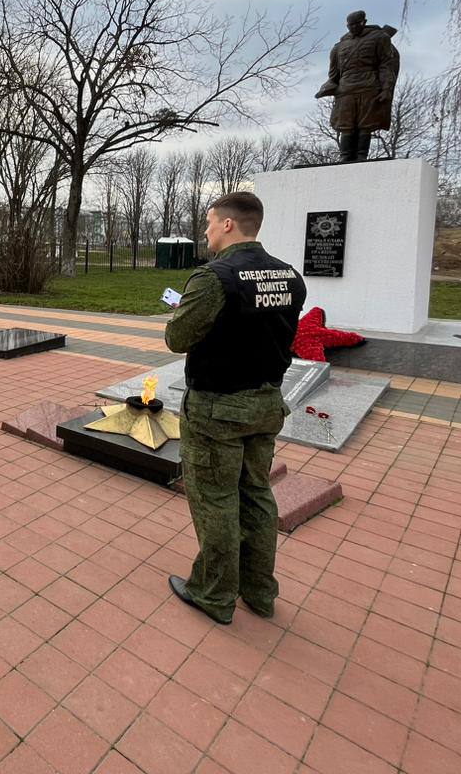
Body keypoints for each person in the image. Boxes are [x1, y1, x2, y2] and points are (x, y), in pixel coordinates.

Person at [163, 191, 306, 624]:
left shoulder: (215, 277)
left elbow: (177, 338)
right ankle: (260, 592)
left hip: (217, 410)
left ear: (228, 224)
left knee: (216, 500)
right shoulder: (290, 276)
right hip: (265, 404)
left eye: (209, 222)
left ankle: (213, 592)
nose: (206, 230)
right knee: (258, 496)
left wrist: (179, 312)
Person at [314, 10, 399, 163]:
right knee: (345, 124)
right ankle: (345, 157)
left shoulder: (379, 38)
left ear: (364, 22)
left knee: (365, 124)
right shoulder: (338, 47)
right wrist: (326, 88)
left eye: (356, 24)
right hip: (345, 90)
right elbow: (333, 75)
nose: (352, 28)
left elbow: (386, 66)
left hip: (369, 87)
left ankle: (361, 156)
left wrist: (387, 88)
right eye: (349, 25)